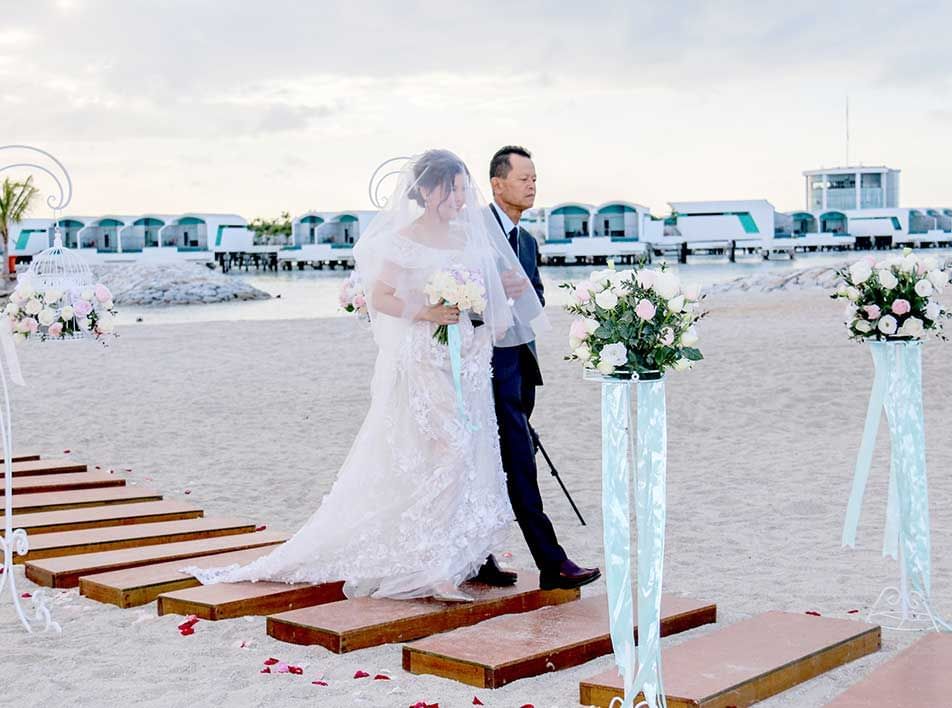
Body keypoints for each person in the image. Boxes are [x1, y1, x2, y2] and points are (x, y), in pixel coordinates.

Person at [184, 150, 546, 602]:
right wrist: (430, 309)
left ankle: (448, 559)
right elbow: (383, 297)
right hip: (427, 359)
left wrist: (499, 296)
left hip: (468, 358)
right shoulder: (405, 238)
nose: (461, 197)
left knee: (466, 454)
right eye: (453, 188)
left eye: (462, 187)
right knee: (450, 449)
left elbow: (491, 296)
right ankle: (432, 566)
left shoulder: (468, 236)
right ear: (430, 191)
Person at [473, 145, 601, 591]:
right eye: (523, 178)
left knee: (500, 464)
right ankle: (552, 562)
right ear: (497, 183)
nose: (531, 185)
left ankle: (477, 559)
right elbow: (458, 299)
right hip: (480, 371)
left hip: (520, 369)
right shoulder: (473, 232)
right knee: (513, 464)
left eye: (534, 179)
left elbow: (537, 298)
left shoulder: (527, 241)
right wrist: (495, 294)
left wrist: (517, 295)